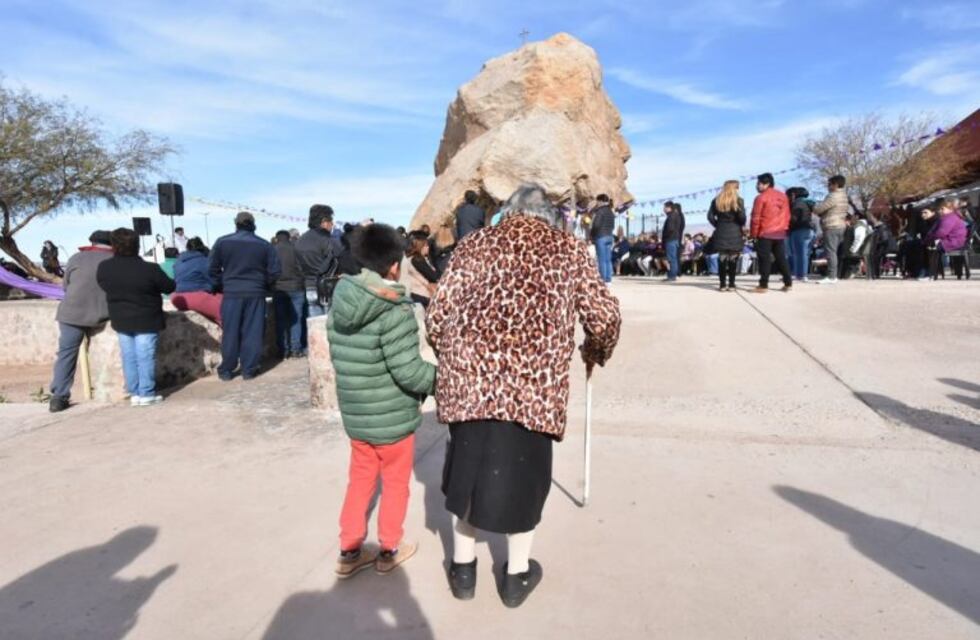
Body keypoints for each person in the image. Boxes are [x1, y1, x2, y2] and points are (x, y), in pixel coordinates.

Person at [426, 183, 621, 608]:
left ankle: (463, 572)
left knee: (468, 480)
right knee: (525, 482)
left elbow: (438, 314)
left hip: (471, 385)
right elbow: (604, 317)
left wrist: (458, 361)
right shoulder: (568, 250)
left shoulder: (473, 245)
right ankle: (515, 577)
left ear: (507, 213)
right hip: (533, 390)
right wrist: (594, 352)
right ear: (549, 217)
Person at [327, 223, 436, 580]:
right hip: (391, 417)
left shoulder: (341, 301)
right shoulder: (394, 309)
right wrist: (442, 381)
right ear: (394, 266)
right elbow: (409, 372)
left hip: (357, 414)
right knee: (394, 483)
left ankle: (348, 551)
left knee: (359, 480)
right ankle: (389, 548)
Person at [96, 228, 175, 406]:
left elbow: (103, 285)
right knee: (145, 355)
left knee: (128, 356)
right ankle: (146, 393)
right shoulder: (150, 269)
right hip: (147, 318)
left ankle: (135, 392)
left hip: (120, 319)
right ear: (137, 245)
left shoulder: (105, 268)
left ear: (114, 246)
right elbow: (169, 287)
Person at [209, 212, 281, 381]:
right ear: (253, 224)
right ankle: (249, 369)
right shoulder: (264, 245)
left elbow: (212, 269)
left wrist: (222, 285)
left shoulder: (222, 242)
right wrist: (264, 286)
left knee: (231, 332)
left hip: (232, 293)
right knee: (253, 332)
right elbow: (275, 272)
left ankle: (227, 369)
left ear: (236, 224)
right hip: (255, 292)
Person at [47, 231, 114, 413]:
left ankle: (58, 397)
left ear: (92, 242)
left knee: (67, 353)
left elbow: (66, 285)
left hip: (71, 313)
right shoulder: (116, 260)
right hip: (103, 313)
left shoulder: (76, 258)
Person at [295, 204, 341, 317]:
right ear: (324, 221)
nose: (332, 224)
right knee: (329, 327)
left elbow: (297, 265)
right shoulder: (328, 240)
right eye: (331, 221)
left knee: (315, 326)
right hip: (327, 288)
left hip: (308, 286)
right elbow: (340, 261)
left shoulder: (300, 240)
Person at [750, 173, 792, 293]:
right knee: (781, 258)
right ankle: (788, 283)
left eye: (759, 184)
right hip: (779, 232)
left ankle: (763, 285)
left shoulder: (761, 198)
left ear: (766, 184)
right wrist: (784, 229)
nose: (757, 186)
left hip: (765, 232)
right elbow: (787, 215)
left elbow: (756, 218)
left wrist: (754, 234)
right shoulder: (783, 196)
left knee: (764, 259)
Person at [272, 230, 307, 359]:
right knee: (296, 319)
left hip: (279, 289)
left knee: (281, 321)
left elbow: (269, 271)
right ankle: (296, 349)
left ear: (277, 238)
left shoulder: (273, 250)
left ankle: (283, 351)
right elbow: (303, 269)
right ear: (289, 238)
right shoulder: (295, 249)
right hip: (296, 288)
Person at [171, 237, 222, 326]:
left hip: (177, 297)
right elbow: (216, 281)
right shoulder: (204, 260)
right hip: (195, 296)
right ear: (202, 247)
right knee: (229, 312)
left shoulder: (179, 261)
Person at [707, 180, 746, 291]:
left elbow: (710, 217)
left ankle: (722, 284)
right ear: (734, 188)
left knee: (722, 258)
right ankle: (732, 284)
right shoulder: (738, 201)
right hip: (734, 232)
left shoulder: (716, 201)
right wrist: (739, 224)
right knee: (733, 259)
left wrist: (718, 225)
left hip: (721, 231)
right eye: (737, 188)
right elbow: (742, 218)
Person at [813, 175, 849, 285]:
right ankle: (833, 274)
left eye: (829, 184)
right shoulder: (844, 196)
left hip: (832, 226)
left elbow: (819, 209)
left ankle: (831, 276)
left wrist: (814, 207)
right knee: (833, 251)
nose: (828, 187)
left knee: (830, 252)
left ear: (836, 185)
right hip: (840, 225)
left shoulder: (833, 196)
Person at [925, 198, 969, 280]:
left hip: (953, 242)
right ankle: (926, 272)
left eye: (940, 209)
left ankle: (929, 273)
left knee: (930, 248)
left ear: (945, 209)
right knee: (927, 245)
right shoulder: (952, 216)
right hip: (956, 241)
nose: (939, 211)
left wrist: (929, 239)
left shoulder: (949, 218)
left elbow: (941, 233)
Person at [787, 187, 816, 282]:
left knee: (798, 254)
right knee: (805, 253)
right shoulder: (808, 203)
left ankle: (799, 274)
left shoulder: (797, 203)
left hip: (799, 230)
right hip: (809, 230)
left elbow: (794, 218)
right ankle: (803, 274)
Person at [405, 231, 439, 307]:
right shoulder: (417, 260)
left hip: (415, 293)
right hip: (422, 293)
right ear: (420, 247)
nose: (428, 248)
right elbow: (433, 276)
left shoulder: (410, 258)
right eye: (426, 246)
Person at [590, 194, 616, 284]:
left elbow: (596, 225)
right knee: (608, 259)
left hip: (600, 236)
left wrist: (592, 235)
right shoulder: (611, 211)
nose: (596, 203)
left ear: (600, 201)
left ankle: (602, 279)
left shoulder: (600, 211)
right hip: (609, 236)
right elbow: (613, 225)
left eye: (597, 201)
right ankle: (608, 279)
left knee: (601, 259)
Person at [661, 201, 685, 281]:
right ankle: (671, 275)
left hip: (671, 239)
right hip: (674, 239)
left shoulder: (672, 216)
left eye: (664, 207)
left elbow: (670, 229)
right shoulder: (675, 215)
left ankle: (672, 276)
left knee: (671, 259)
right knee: (672, 258)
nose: (663, 209)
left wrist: (666, 236)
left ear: (669, 208)